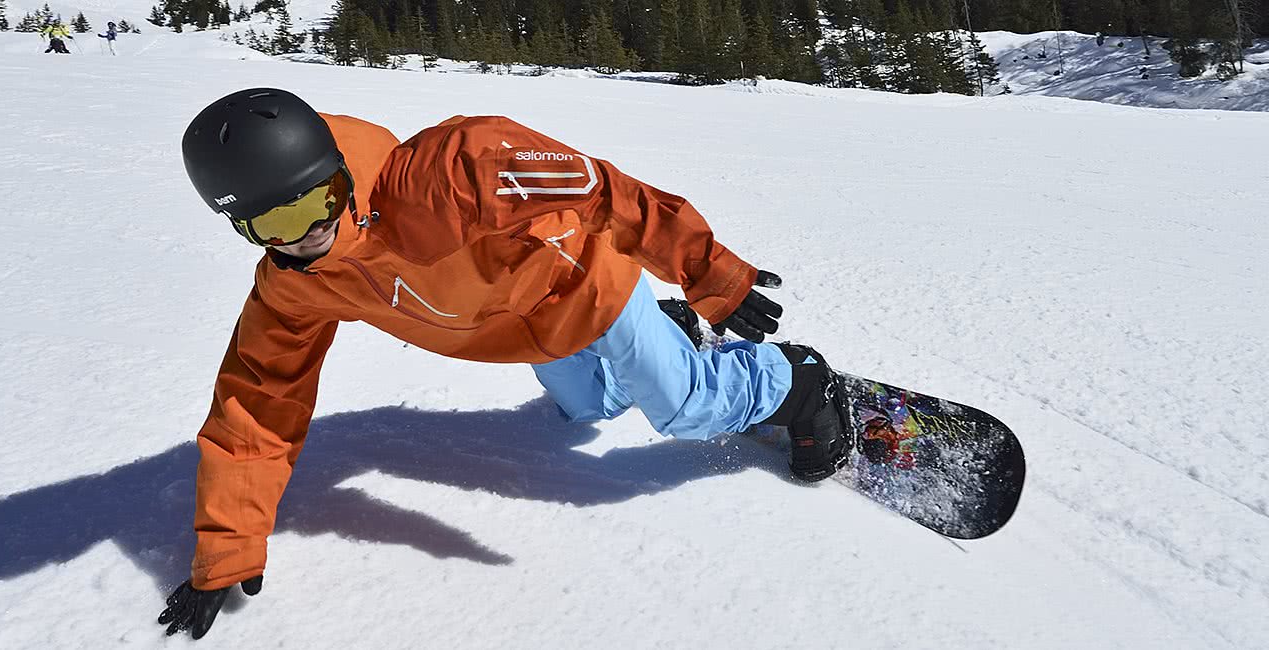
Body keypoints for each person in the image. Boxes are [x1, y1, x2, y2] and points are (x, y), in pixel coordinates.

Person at [153, 88, 851, 640]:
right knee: (591, 408)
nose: (312, 230)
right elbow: (256, 405)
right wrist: (226, 549)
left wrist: (708, 273)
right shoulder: (295, 286)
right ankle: (665, 333)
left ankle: (797, 384)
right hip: (532, 335)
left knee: (685, 409)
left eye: (322, 199)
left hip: (587, 285)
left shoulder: (451, 170)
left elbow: (599, 191)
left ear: (338, 170)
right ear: (244, 227)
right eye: (276, 223)